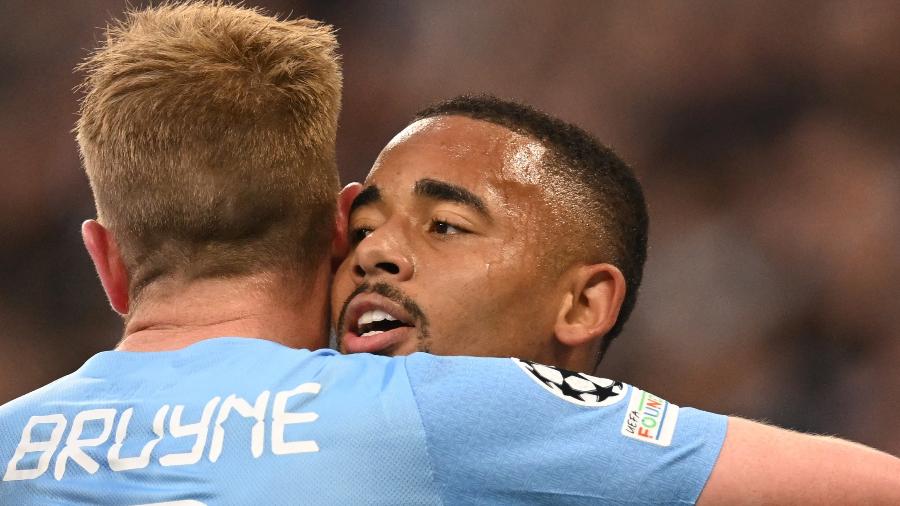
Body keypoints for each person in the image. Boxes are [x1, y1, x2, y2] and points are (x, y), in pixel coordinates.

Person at [0, 3, 730, 504]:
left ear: (107, 261)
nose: (385, 258)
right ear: (339, 228)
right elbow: (844, 480)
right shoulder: (428, 409)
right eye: (376, 229)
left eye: (444, 227)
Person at [331, 94, 900, 503]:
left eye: (447, 226)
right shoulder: (288, 393)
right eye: (361, 229)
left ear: (582, 305)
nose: (374, 251)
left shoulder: (489, 413)